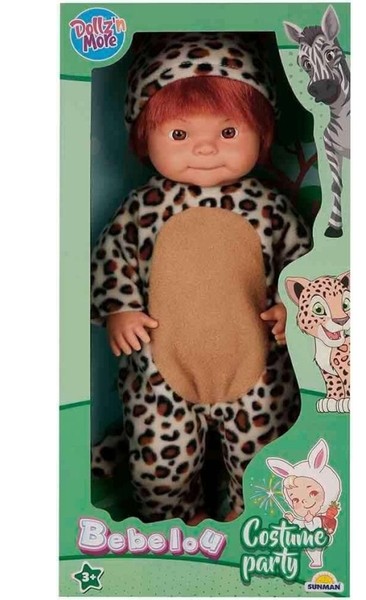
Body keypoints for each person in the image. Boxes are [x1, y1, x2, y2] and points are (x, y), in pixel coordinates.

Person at [91, 32, 312, 523]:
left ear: (263, 132)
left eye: (229, 132)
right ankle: (173, 521)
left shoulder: (271, 209)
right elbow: (113, 257)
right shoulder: (142, 209)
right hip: (161, 370)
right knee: (159, 462)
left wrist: (291, 310)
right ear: (143, 137)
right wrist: (120, 309)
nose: (206, 147)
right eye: (179, 135)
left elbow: (301, 267)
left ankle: (249, 518)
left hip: (257, 370)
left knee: (265, 449)